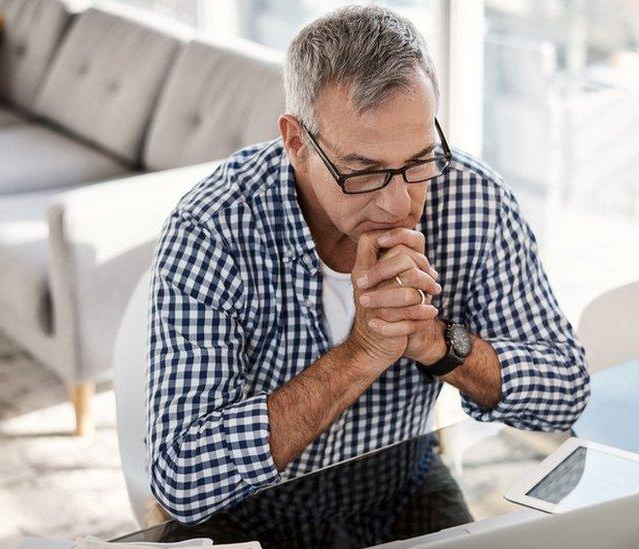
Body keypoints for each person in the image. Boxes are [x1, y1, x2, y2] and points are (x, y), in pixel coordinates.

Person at [147, 5, 589, 525]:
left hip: (400, 485)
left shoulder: (474, 199)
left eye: (419, 160)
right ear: (296, 142)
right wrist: (361, 353)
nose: (401, 204)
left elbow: (566, 393)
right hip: (253, 511)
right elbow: (180, 476)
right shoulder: (213, 227)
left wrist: (438, 345)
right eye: (364, 172)